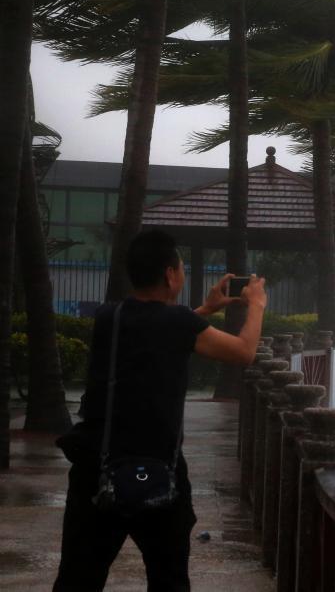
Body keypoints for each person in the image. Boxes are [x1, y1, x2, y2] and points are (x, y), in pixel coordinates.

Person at [53, 229, 267, 591]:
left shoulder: (110, 317)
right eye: (181, 268)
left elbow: (158, 329)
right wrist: (257, 304)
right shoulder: (180, 323)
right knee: (168, 581)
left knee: (77, 580)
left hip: (96, 469)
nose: (181, 275)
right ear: (170, 274)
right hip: (158, 474)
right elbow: (244, 351)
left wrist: (206, 310)